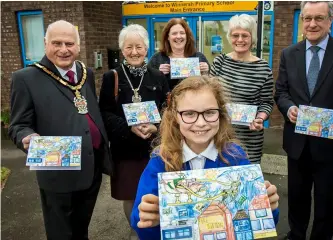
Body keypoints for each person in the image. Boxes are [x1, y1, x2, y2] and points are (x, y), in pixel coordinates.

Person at [130, 76, 280, 239]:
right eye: (189, 113)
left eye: (209, 112)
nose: (200, 123)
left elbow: (256, 223)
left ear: (221, 114)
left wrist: (269, 208)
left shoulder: (235, 157)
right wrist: (149, 219)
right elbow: (140, 225)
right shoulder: (161, 161)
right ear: (175, 117)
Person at [8, 20, 112, 239]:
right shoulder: (26, 79)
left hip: (90, 166)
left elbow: (85, 109)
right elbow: (18, 125)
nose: (64, 49)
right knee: (61, 232)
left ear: (78, 46)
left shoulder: (86, 73)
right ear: (46, 44)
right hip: (58, 171)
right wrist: (26, 136)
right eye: (57, 43)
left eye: (69, 43)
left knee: (82, 228)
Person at [274, 2, 333, 240]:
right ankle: (296, 234)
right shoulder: (288, 53)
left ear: (330, 19)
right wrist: (289, 108)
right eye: (307, 18)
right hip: (297, 144)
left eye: (319, 18)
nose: (312, 24)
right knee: (296, 197)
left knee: (326, 201)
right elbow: (281, 92)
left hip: (330, 145)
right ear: (302, 20)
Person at [99, 24, 169, 238]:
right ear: (122, 50)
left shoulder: (157, 76)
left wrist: (156, 127)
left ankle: (157, 229)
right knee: (131, 195)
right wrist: (129, 128)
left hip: (154, 148)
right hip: (125, 149)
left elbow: (168, 108)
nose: (134, 52)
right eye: (129, 47)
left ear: (146, 49)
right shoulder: (112, 77)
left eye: (139, 46)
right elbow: (105, 112)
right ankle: (136, 230)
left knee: (157, 192)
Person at [210, 14, 274, 163]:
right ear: (229, 37)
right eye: (235, 35)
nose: (240, 40)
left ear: (252, 38)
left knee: (246, 179)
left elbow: (267, 102)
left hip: (249, 139)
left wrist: (260, 118)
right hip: (220, 134)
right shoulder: (220, 62)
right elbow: (209, 95)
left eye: (245, 35)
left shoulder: (263, 68)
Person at [148, 18, 210, 91]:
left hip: (194, 101)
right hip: (166, 101)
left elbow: (209, 85)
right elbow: (147, 86)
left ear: (187, 36)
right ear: (168, 37)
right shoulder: (157, 59)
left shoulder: (199, 57)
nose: (178, 36)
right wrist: (157, 74)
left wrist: (206, 72)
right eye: (174, 33)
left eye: (182, 33)